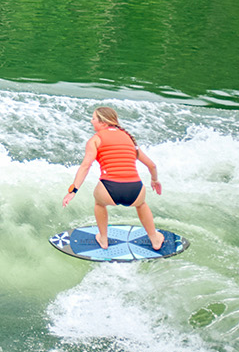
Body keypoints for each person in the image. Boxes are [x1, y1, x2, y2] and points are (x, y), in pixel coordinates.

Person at [63, 106, 164, 251]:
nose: (91, 121)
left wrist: (73, 191)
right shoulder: (129, 138)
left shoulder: (95, 140)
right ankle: (154, 239)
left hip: (109, 189)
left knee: (99, 203)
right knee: (141, 205)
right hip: (135, 189)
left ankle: (103, 239)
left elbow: (85, 166)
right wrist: (155, 180)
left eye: (93, 119)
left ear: (103, 123)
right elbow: (152, 166)